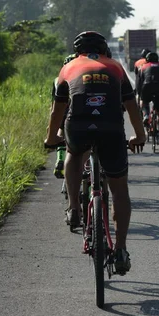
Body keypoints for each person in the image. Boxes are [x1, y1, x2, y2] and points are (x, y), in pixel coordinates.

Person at [44, 31, 146, 273]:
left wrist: (50, 138)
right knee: (119, 190)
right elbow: (133, 108)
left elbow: (57, 111)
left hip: (77, 126)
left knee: (74, 153)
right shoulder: (116, 68)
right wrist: (140, 136)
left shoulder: (68, 68)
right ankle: (120, 249)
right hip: (111, 129)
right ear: (104, 50)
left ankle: (73, 208)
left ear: (77, 50)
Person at [51, 53, 78, 178]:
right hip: (80, 113)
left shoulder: (58, 80)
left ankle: (60, 159)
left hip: (63, 111)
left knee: (60, 131)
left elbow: (54, 104)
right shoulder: (80, 77)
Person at [136, 52, 159, 145]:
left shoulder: (143, 67)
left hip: (147, 86)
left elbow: (139, 84)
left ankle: (146, 115)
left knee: (144, 102)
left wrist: (139, 95)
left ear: (146, 60)